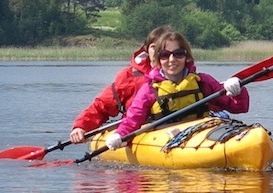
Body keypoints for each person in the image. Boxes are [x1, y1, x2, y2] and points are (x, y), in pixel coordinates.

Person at [103, 29, 248, 150]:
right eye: (165, 55)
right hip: (164, 138)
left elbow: (239, 107)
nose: (172, 60)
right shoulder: (149, 90)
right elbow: (133, 120)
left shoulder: (203, 81)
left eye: (178, 54)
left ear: (186, 56)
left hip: (201, 133)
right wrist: (120, 135)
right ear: (158, 59)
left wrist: (238, 91)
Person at [68, 26, 172, 144]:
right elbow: (102, 105)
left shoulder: (187, 76)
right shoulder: (129, 77)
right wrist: (81, 126)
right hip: (139, 132)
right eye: (154, 47)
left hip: (176, 127)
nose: (158, 52)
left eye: (163, 48)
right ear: (146, 50)